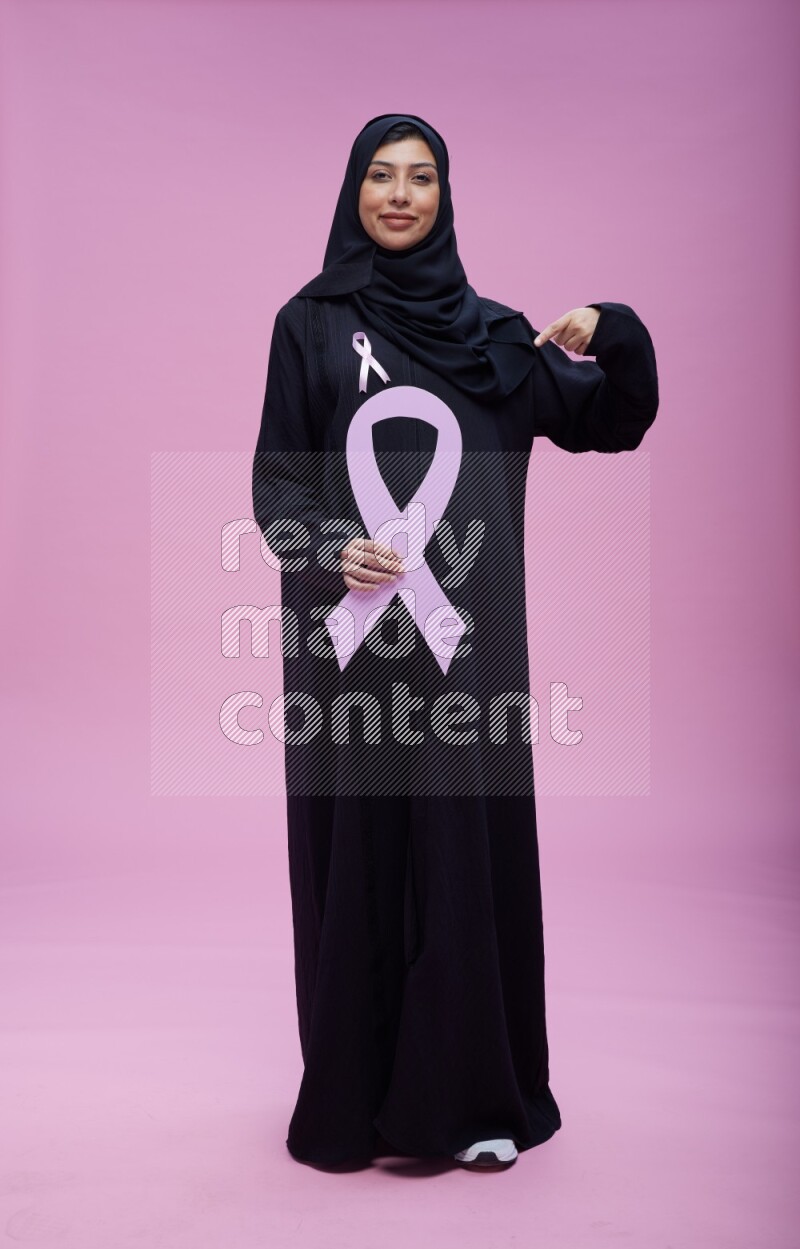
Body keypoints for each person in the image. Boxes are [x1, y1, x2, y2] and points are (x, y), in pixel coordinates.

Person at [252, 113, 659, 1170]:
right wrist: (331, 545)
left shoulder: (492, 337)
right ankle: (351, 1104)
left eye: (419, 177)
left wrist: (605, 325)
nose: (397, 194)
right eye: (379, 176)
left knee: (460, 859)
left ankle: (470, 1100)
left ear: (443, 195)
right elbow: (279, 484)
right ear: (353, 192)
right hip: (346, 660)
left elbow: (613, 418)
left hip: (462, 663)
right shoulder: (307, 325)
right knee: (357, 864)